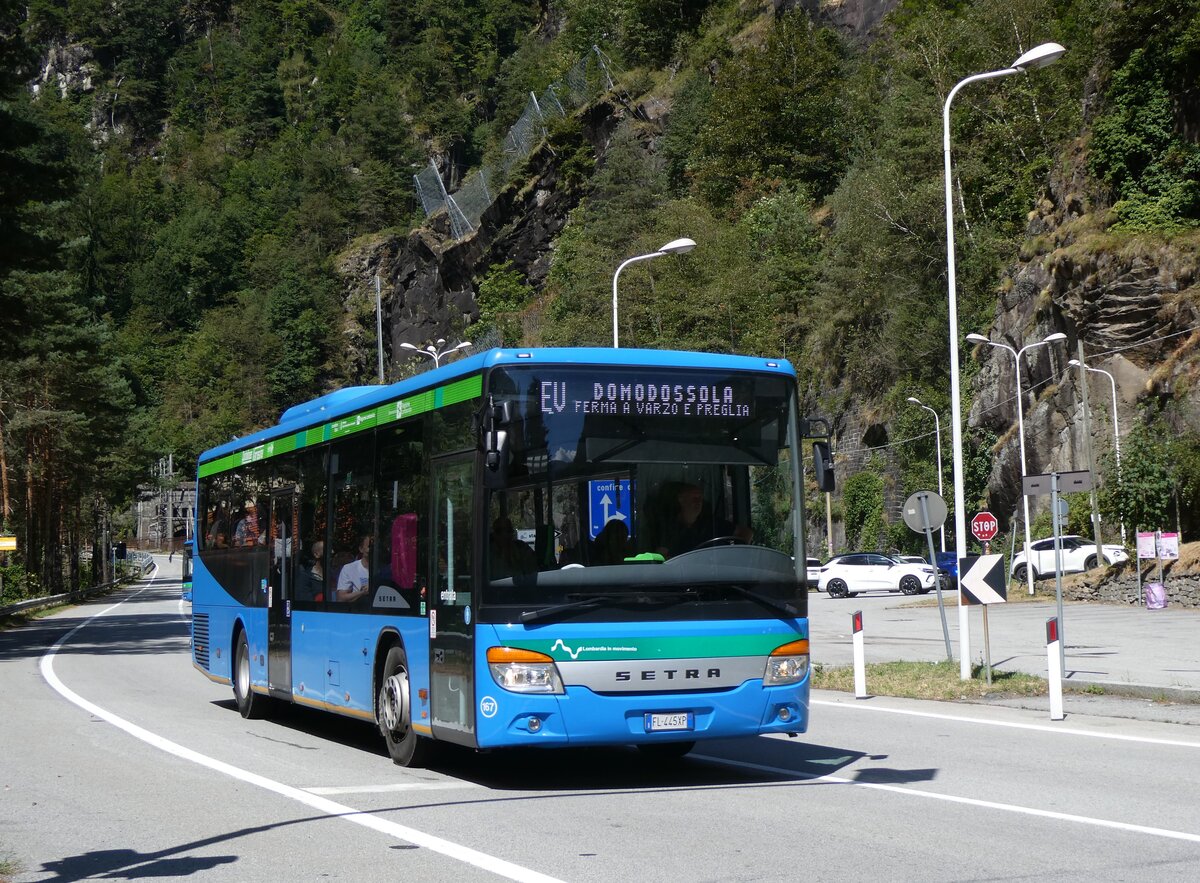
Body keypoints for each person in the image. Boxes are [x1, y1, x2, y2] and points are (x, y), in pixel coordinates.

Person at [654, 482, 751, 559]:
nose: (699, 502)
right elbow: (662, 557)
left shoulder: (711, 523)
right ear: (681, 500)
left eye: (700, 498)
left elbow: (746, 532)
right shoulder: (669, 527)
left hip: (717, 577)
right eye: (694, 498)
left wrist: (737, 554)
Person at [335, 535, 372, 603]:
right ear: (361, 549)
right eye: (369, 546)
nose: (373, 549)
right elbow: (340, 598)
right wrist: (362, 592)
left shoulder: (385, 570)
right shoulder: (349, 568)